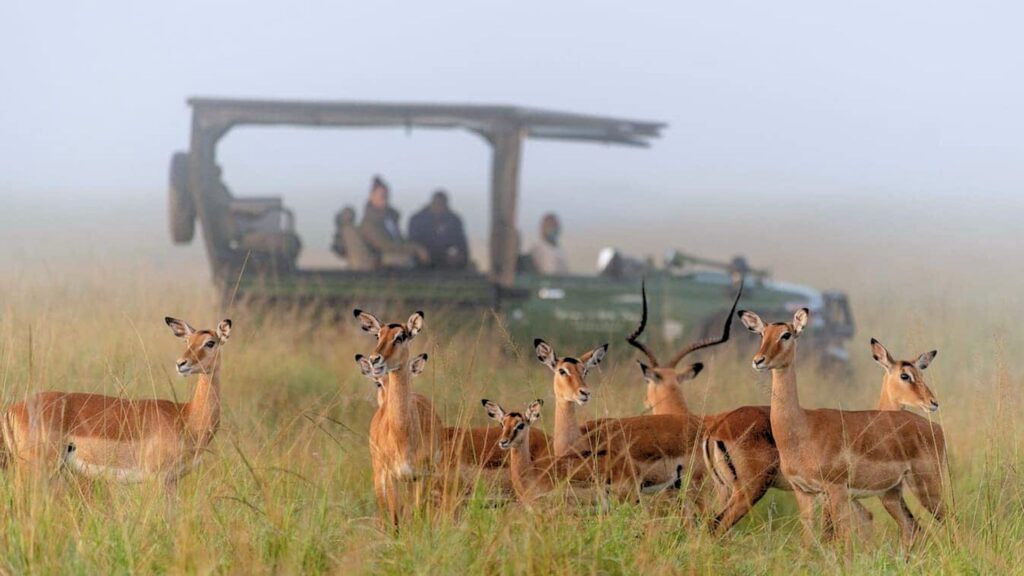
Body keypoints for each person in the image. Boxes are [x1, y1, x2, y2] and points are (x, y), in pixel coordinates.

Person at [357, 176, 428, 268]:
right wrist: (415, 249)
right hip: (382, 262)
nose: (385, 199)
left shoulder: (390, 219)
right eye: (382, 196)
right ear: (372, 196)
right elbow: (384, 246)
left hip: (398, 256)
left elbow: (400, 240)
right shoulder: (368, 223)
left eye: (386, 196)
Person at [408, 190, 470, 270]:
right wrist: (419, 250)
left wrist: (458, 256)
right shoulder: (417, 220)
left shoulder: (454, 220)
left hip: (449, 266)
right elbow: (411, 242)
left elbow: (462, 245)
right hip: (422, 265)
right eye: (437, 204)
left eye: (442, 205)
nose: (439, 208)